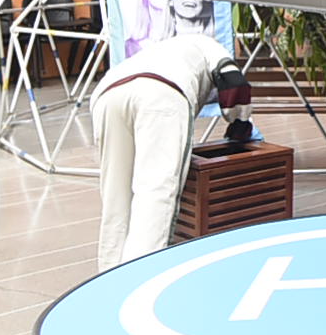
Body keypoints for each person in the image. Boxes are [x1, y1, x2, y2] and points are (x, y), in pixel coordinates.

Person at [91, 32, 250, 269]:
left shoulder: (164, 48)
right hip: (162, 93)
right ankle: (140, 273)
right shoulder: (210, 45)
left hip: (107, 95)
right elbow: (233, 80)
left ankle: (108, 271)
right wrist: (240, 123)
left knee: (116, 194)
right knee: (155, 190)